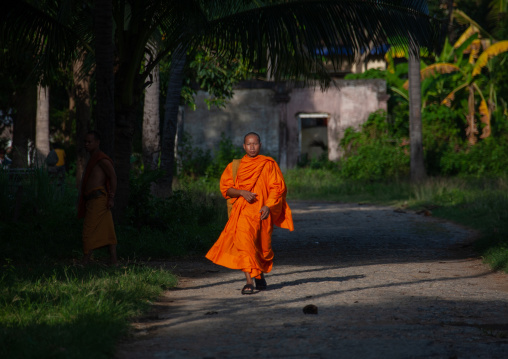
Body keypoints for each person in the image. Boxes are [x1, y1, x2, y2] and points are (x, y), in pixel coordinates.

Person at [206, 132, 294, 294]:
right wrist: (241, 192)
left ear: (260, 145)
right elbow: (226, 190)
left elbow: (277, 188)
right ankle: (249, 281)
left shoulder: (268, 164)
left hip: (262, 213)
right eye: (248, 144)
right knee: (245, 244)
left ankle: (259, 275)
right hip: (242, 213)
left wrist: (268, 206)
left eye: (255, 144)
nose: (252, 147)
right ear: (244, 146)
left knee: (262, 248)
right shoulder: (235, 166)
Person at [77, 130, 118, 265]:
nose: (86, 144)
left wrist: (111, 197)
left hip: (99, 199)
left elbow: (113, 177)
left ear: (97, 143)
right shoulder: (93, 158)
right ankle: (112, 259)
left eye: (90, 142)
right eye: (85, 142)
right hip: (92, 201)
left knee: (88, 231)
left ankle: (85, 261)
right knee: (108, 230)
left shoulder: (101, 159)